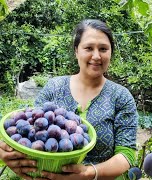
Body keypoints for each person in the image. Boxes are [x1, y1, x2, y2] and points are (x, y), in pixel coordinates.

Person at [0, 19, 138, 180]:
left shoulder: (121, 97)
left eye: (103, 49)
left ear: (110, 53)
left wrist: (89, 173)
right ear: (76, 51)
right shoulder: (54, 87)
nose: (96, 56)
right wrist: (9, 153)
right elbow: (33, 132)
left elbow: (127, 154)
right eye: (88, 48)